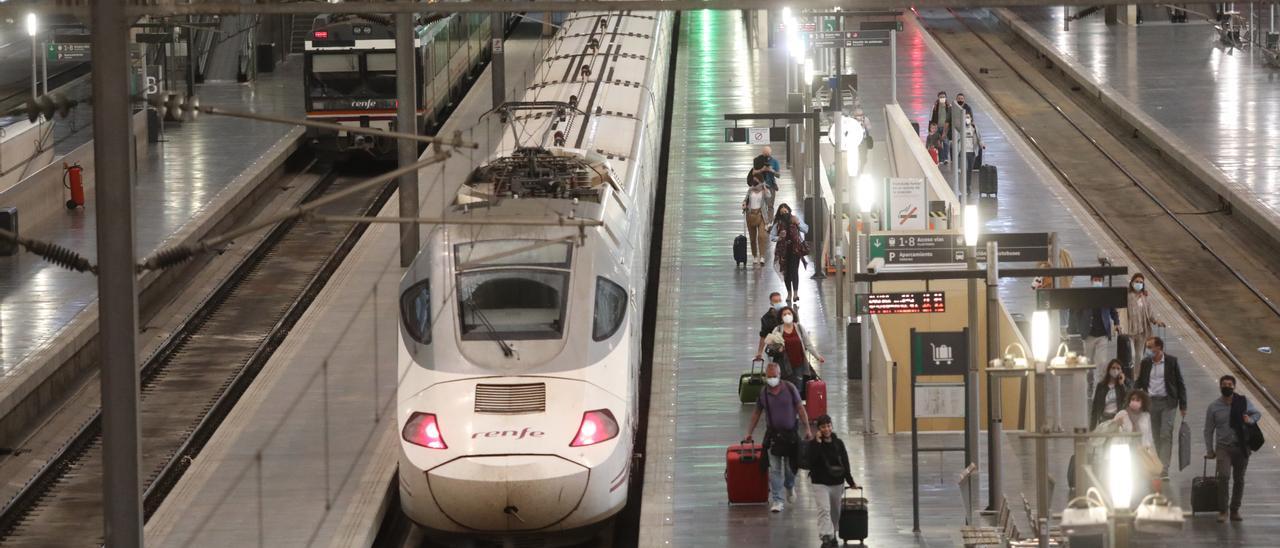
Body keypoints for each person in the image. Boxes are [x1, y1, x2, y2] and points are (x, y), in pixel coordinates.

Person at [744, 362, 813, 513]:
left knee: (790, 469)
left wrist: (807, 428)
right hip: (774, 437)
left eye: (774, 376)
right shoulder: (764, 393)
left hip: (791, 437)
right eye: (769, 377)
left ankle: (789, 486)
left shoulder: (790, 388)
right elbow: (756, 413)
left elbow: (800, 408)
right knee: (775, 469)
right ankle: (777, 500)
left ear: (779, 375)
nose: (771, 379)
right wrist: (749, 431)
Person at [1204, 374, 1261, 522]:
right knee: (1223, 477)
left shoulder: (1243, 402)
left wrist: (1250, 420)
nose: (1227, 387)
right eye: (1224, 384)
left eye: (1230, 384)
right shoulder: (1213, 407)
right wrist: (1210, 450)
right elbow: (1208, 430)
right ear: (1220, 386)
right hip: (1223, 448)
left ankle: (1235, 509)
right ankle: (1223, 510)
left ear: (1234, 387)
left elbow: (1257, 413)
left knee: (1239, 479)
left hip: (1241, 447)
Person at [1134, 336, 1187, 477]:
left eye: (1151, 347)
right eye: (1148, 347)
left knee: (1165, 433)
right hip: (1151, 403)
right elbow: (1139, 381)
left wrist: (1183, 404)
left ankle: (1164, 467)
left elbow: (1180, 383)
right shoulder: (1146, 363)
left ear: (1159, 348)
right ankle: (1157, 463)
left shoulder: (1171, 362)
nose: (1148, 350)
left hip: (1168, 402)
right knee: (1156, 435)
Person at [806, 415, 859, 547]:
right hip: (820, 482)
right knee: (824, 509)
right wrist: (817, 442)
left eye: (828, 426)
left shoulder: (838, 443)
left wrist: (851, 482)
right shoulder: (814, 444)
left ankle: (833, 533)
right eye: (823, 427)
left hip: (837, 482)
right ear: (818, 429)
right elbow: (811, 461)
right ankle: (825, 536)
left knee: (835, 510)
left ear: (832, 426)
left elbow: (845, 463)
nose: (826, 429)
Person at [1069, 275, 1120, 386]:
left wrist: (1117, 323)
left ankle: (1100, 384)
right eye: (1095, 280)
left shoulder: (1106, 295)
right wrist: (1077, 326)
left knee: (1102, 361)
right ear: (1091, 281)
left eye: (1099, 280)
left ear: (1102, 281)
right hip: (1089, 334)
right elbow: (1076, 312)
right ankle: (1089, 382)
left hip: (1103, 334)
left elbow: (1113, 311)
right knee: (1088, 361)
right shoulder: (1086, 295)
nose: (1097, 282)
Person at [1111, 389, 1158, 501]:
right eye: (1132, 399)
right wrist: (1117, 425)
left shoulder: (1146, 416)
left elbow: (1149, 436)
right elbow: (1112, 430)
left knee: (1143, 478)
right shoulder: (1122, 414)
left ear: (1143, 402)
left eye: (1137, 400)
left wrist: (1152, 453)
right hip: (1126, 451)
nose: (1134, 402)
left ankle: (1143, 499)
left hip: (1142, 451)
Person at [767, 305, 826, 394]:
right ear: (781, 318)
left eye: (789, 313)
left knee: (798, 388)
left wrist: (817, 356)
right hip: (784, 366)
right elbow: (770, 346)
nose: (787, 316)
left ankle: (796, 405)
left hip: (799, 364)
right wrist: (777, 350)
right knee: (786, 388)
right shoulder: (778, 329)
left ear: (793, 315)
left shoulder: (799, 328)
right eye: (784, 314)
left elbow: (808, 344)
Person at [1123, 273, 1163, 372]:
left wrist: (1156, 321)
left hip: (1142, 331)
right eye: (1137, 282)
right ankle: (1129, 376)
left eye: (1141, 282)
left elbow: (1150, 313)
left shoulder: (1145, 298)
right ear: (1132, 283)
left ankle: (1137, 379)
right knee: (1131, 355)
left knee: (1139, 356)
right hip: (1130, 331)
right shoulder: (1127, 296)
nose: (1139, 284)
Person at [770, 204, 808, 304]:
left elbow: (806, 229)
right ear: (779, 213)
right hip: (783, 250)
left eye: (786, 212)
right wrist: (779, 237)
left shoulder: (795, 219)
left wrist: (798, 223)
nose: (784, 214)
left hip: (795, 250)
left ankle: (795, 293)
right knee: (786, 273)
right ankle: (789, 293)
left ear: (789, 211)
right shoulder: (778, 223)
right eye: (782, 213)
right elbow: (772, 236)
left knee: (794, 271)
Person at [1091, 359, 1129, 428]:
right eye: (1113, 368)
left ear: (1121, 371)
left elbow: (1127, 399)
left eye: (1118, 368)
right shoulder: (1101, 386)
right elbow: (1095, 406)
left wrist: (1122, 384)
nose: (1115, 370)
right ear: (1109, 369)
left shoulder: (1123, 385)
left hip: (1117, 419)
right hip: (1104, 418)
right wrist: (1092, 427)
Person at [742, 181, 770, 266]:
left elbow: (769, 196)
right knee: (752, 238)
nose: (756, 185)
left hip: (761, 215)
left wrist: (765, 188)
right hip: (750, 215)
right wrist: (744, 204)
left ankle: (762, 256)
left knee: (761, 236)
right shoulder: (750, 190)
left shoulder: (764, 190)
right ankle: (754, 256)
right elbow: (745, 200)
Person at [755, 292, 784, 360]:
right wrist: (759, 352)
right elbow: (763, 335)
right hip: (775, 349)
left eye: (780, 300)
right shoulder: (766, 318)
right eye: (776, 301)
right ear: (771, 303)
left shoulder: (787, 313)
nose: (778, 303)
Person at [959, 112, 985, 191]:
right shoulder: (961, 128)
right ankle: (963, 185)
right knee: (965, 168)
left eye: (968, 117)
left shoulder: (974, 128)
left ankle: (968, 186)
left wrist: (982, 145)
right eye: (965, 117)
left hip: (972, 152)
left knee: (970, 170)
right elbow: (957, 139)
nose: (967, 119)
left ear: (971, 119)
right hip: (964, 152)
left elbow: (979, 138)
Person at [929, 91, 954, 163]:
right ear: (938, 98)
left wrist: (949, 129)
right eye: (941, 97)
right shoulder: (935, 107)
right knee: (938, 143)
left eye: (943, 97)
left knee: (946, 143)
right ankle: (940, 159)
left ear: (946, 98)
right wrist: (930, 129)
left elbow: (951, 118)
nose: (942, 98)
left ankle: (945, 158)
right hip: (937, 127)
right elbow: (931, 118)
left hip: (945, 128)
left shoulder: (949, 107)